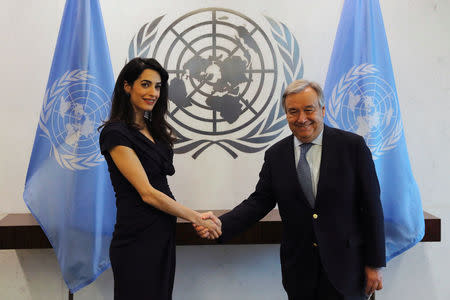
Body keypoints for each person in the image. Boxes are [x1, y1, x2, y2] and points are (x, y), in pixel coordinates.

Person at [196, 80, 385, 300]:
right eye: (293, 111)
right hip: (300, 271)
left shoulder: (352, 147)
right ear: (286, 115)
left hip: (349, 269)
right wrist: (221, 225)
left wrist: (375, 264)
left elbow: (372, 206)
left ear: (322, 110)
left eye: (308, 110)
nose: (302, 118)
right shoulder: (276, 155)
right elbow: (258, 202)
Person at [99, 57, 221, 300]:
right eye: (145, 84)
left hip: (162, 234)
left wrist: (192, 218)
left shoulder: (154, 129)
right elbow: (147, 192)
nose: (153, 92)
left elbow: (160, 185)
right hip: (136, 239)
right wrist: (195, 216)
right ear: (127, 86)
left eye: (157, 86)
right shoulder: (115, 132)